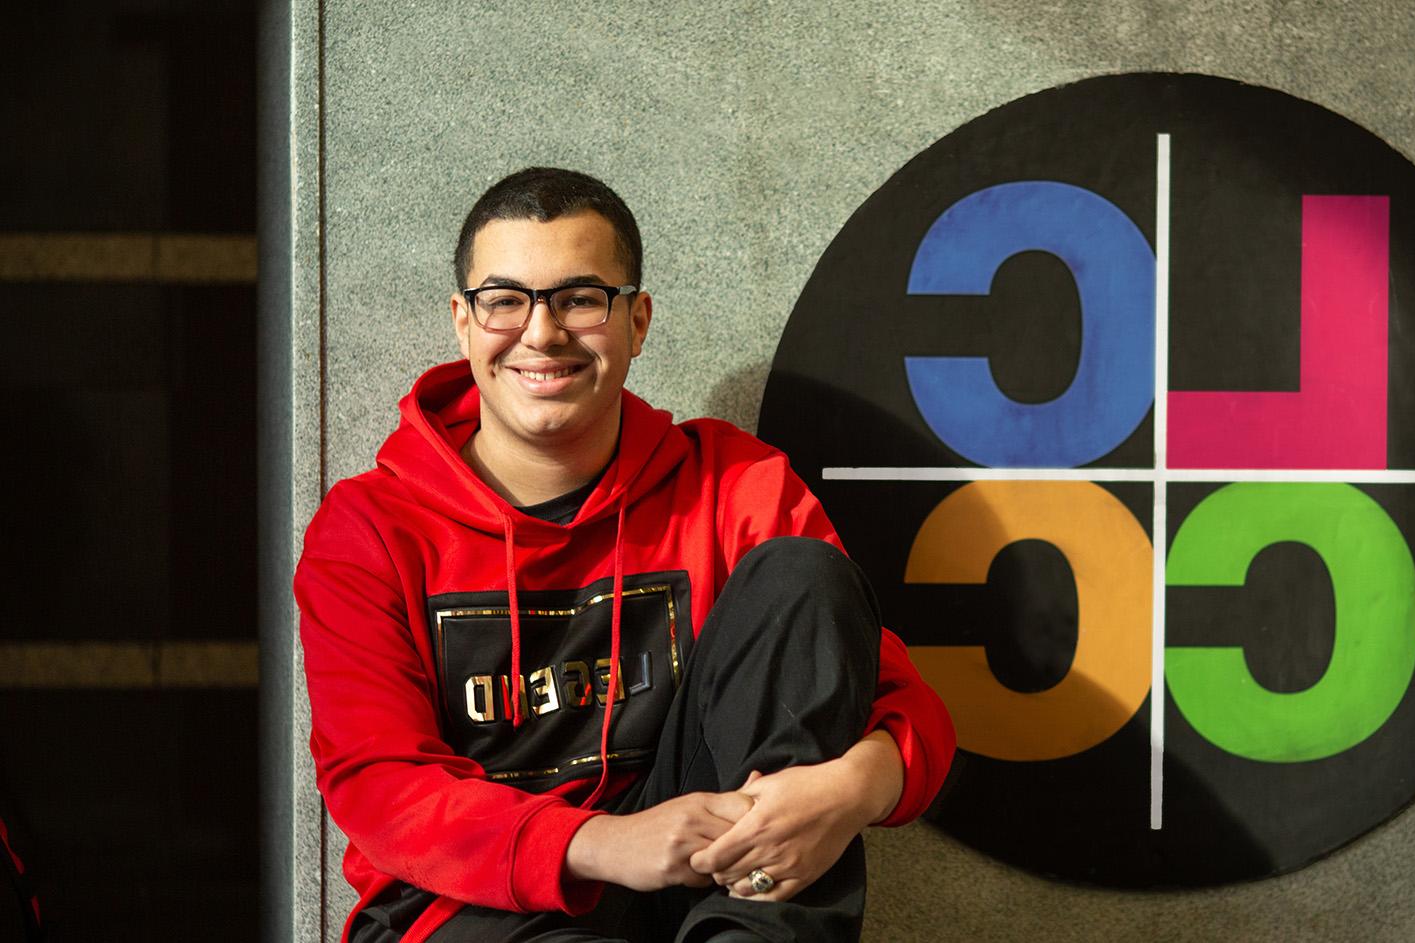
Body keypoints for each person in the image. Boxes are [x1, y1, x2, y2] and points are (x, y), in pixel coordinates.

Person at [295, 167, 955, 943]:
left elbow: (909, 709)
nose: (541, 333)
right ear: (464, 323)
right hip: (473, 912)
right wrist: (605, 843)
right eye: (505, 299)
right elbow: (381, 786)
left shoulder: (731, 484)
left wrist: (851, 789)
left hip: (709, 887)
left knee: (800, 575)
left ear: (637, 320)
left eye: (579, 298)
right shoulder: (371, 527)